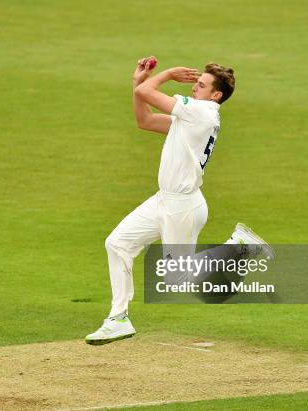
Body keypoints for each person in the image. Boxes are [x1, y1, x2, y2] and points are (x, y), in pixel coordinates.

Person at [85, 57, 274, 345]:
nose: (194, 87)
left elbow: (147, 95)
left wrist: (166, 75)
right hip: (164, 200)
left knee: (177, 279)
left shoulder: (201, 111)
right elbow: (145, 120)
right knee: (118, 243)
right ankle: (118, 318)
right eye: (195, 83)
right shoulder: (192, 115)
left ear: (216, 95)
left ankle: (238, 246)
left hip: (182, 206)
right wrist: (139, 82)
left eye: (201, 85)